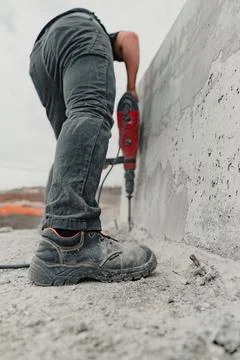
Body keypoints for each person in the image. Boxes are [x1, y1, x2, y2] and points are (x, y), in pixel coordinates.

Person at [28, 7, 157, 286]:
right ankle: (71, 239)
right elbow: (131, 39)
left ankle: (55, 235)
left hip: (40, 57)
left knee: (70, 134)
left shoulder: (58, 41)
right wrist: (132, 88)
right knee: (91, 111)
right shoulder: (100, 38)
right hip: (76, 31)